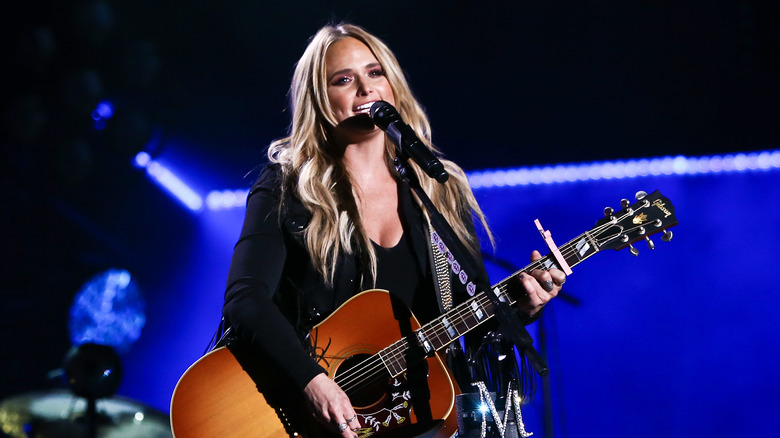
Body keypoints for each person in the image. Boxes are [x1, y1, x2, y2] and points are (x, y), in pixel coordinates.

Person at [221, 23, 566, 438]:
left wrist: (524, 308)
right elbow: (245, 300)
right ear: (319, 97)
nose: (366, 89)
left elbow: (468, 319)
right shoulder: (287, 188)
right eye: (344, 79)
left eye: (375, 73)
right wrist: (310, 380)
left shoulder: (438, 191)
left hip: (420, 420)